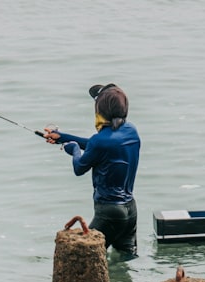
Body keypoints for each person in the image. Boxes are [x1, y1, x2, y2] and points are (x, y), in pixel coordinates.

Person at [44, 83, 141, 258]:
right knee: (125, 258)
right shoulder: (131, 131)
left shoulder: (100, 141)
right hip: (130, 210)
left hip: (109, 212)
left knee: (84, 258)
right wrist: (63, 137)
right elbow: (97, 145)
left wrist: (73, 149)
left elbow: (79, 167)